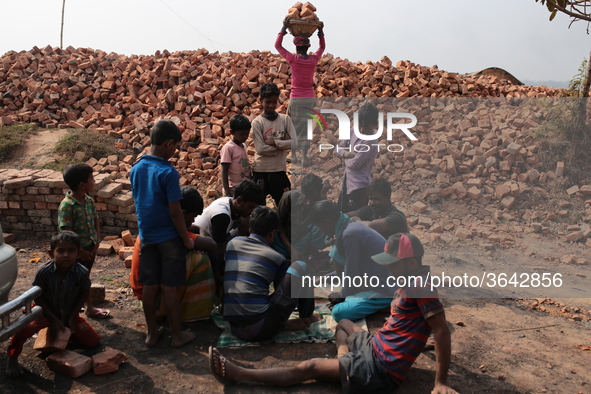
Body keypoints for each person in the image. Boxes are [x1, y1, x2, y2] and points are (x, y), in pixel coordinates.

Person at [209, 233, 457, 394]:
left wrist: (440, 382)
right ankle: (344, 360)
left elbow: (442, 330)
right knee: (344, 323)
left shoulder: (420, 286)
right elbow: (412, 323)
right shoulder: (409, 279)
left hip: (380, 368)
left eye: (392, 264)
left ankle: (238, 373)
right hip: (377, 346)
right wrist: (415, 342)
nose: (388, 269)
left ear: (411, 263)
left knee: (309, 368)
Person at [129, 119, 195, 348]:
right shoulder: (168, 172)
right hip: (168, 238)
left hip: (146, 236)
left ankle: (152, 333)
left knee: (150, 286)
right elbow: (176, 212)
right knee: (169, 287)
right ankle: (177, 335)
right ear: (168, 144)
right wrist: (185, 239)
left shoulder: (135, 169)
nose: (175, 151)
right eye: (175, 146)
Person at [6, 231, 100, 376]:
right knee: (22, 330)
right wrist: (54, 319)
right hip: (44, 312)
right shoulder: (44, 271)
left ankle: (62, 335)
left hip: (68, 313)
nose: (66, 255)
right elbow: (38, 297)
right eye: (60, 251)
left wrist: (71, 316)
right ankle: (12, 358)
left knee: (93, 342)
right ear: (51, 253)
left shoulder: (81, 272)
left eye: (71, 251)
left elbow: (84, 292)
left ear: (79, 253)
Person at [223, 206, 321, 342]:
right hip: (260, 329)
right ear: (272, 234)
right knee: (301, 266)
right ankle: (306, 317)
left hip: (234, 326)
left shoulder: (232, 244)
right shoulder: (275, 257)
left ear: (250, 229)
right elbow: (283, 297)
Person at [130, 186, 217, 322]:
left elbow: (195, 229)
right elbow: (212, 245)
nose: (193, 221)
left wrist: (196, 237)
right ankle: (189, 314)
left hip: (146, 296)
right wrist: (196, 240)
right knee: (201, 259)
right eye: (192, 216)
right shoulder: (173, 232)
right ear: (182, 213)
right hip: (155, 300)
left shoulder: (159, 220)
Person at [308, 200, 393, 322]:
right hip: (373, 282)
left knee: (339, 312)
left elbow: (351, 273)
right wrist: (324, 278)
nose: (321, 231)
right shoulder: (348, 227)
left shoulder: (349, 235)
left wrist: (341, 296)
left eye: (320, 227)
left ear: (327, 223)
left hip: (383, 289)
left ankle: (386, 304)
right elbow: (347, 268)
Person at [192, 179, 264, 291]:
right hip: (201, 248)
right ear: (239, 200)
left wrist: (244, 218)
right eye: (250, 207)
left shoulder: (230, 202)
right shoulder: (222, 216)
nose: (251, 212)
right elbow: (218, 253)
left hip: (215, 243)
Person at [58, 163, 109, 319]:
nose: (94, 181)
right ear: (82, 185)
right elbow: (66, 233)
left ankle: (85, 307)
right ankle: (76, 309)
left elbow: (95, 221)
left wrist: (97, 242)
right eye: (92, 178)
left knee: (84, 279)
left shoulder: (88, 200)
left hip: (89, 249)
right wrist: (80, 252)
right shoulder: (67, 205)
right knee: (74, 280)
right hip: (75, 253)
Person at [275, 18, 325, 166]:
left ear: (296, 47)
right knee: (306, 127)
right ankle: (304, 158)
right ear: (308, 46)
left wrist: (283, 28)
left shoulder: (293, 59)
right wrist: (321, 32)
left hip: (295, 99)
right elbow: (322, 47)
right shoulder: (313, 60)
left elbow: (277, 45)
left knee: (293, 127)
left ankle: (294, 156)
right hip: (309, 98)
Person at [251, 82, 295, 206]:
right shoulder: (257, 123)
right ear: (260, 100)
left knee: (286, 206)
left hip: (279, 170)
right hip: (260, 170)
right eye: (268, 102)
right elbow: (260, 149)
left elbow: (296, 142)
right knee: (258, 208)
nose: (271, 105)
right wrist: (282, 144)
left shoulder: (285, 119)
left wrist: (274, 142)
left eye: (274, 102)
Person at [336, 102, 380, 212]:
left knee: (356, 217)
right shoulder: (353, 130)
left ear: (375, 124)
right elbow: (337, 148)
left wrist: (344, 158)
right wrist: (347, 154)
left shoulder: (371, 140)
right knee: (341, 213)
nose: (361, 130)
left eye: (366, 127)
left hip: (359, 186)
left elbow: (354, 164)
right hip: (347, 181)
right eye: (360, 126)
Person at [275, 173, 328, 262]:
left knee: (321, 229)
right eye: (306, 198)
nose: (308, 203)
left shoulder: (320, 202)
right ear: (302, 192)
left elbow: (329, 221)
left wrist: (323, 195)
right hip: (284, 242)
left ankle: (307, 254)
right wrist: (291, 250)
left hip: (303, 242)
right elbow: (278, 225)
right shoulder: (289, 197)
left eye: (312, 199)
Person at [220, 115, 252, 197]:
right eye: (242, 134)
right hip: (233, 190)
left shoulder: (244, 145)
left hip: (245, 189)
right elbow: (224, 171)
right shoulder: (228, 148)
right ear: (232, 132)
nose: (245, 137)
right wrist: (227, 192)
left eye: (247, 134)